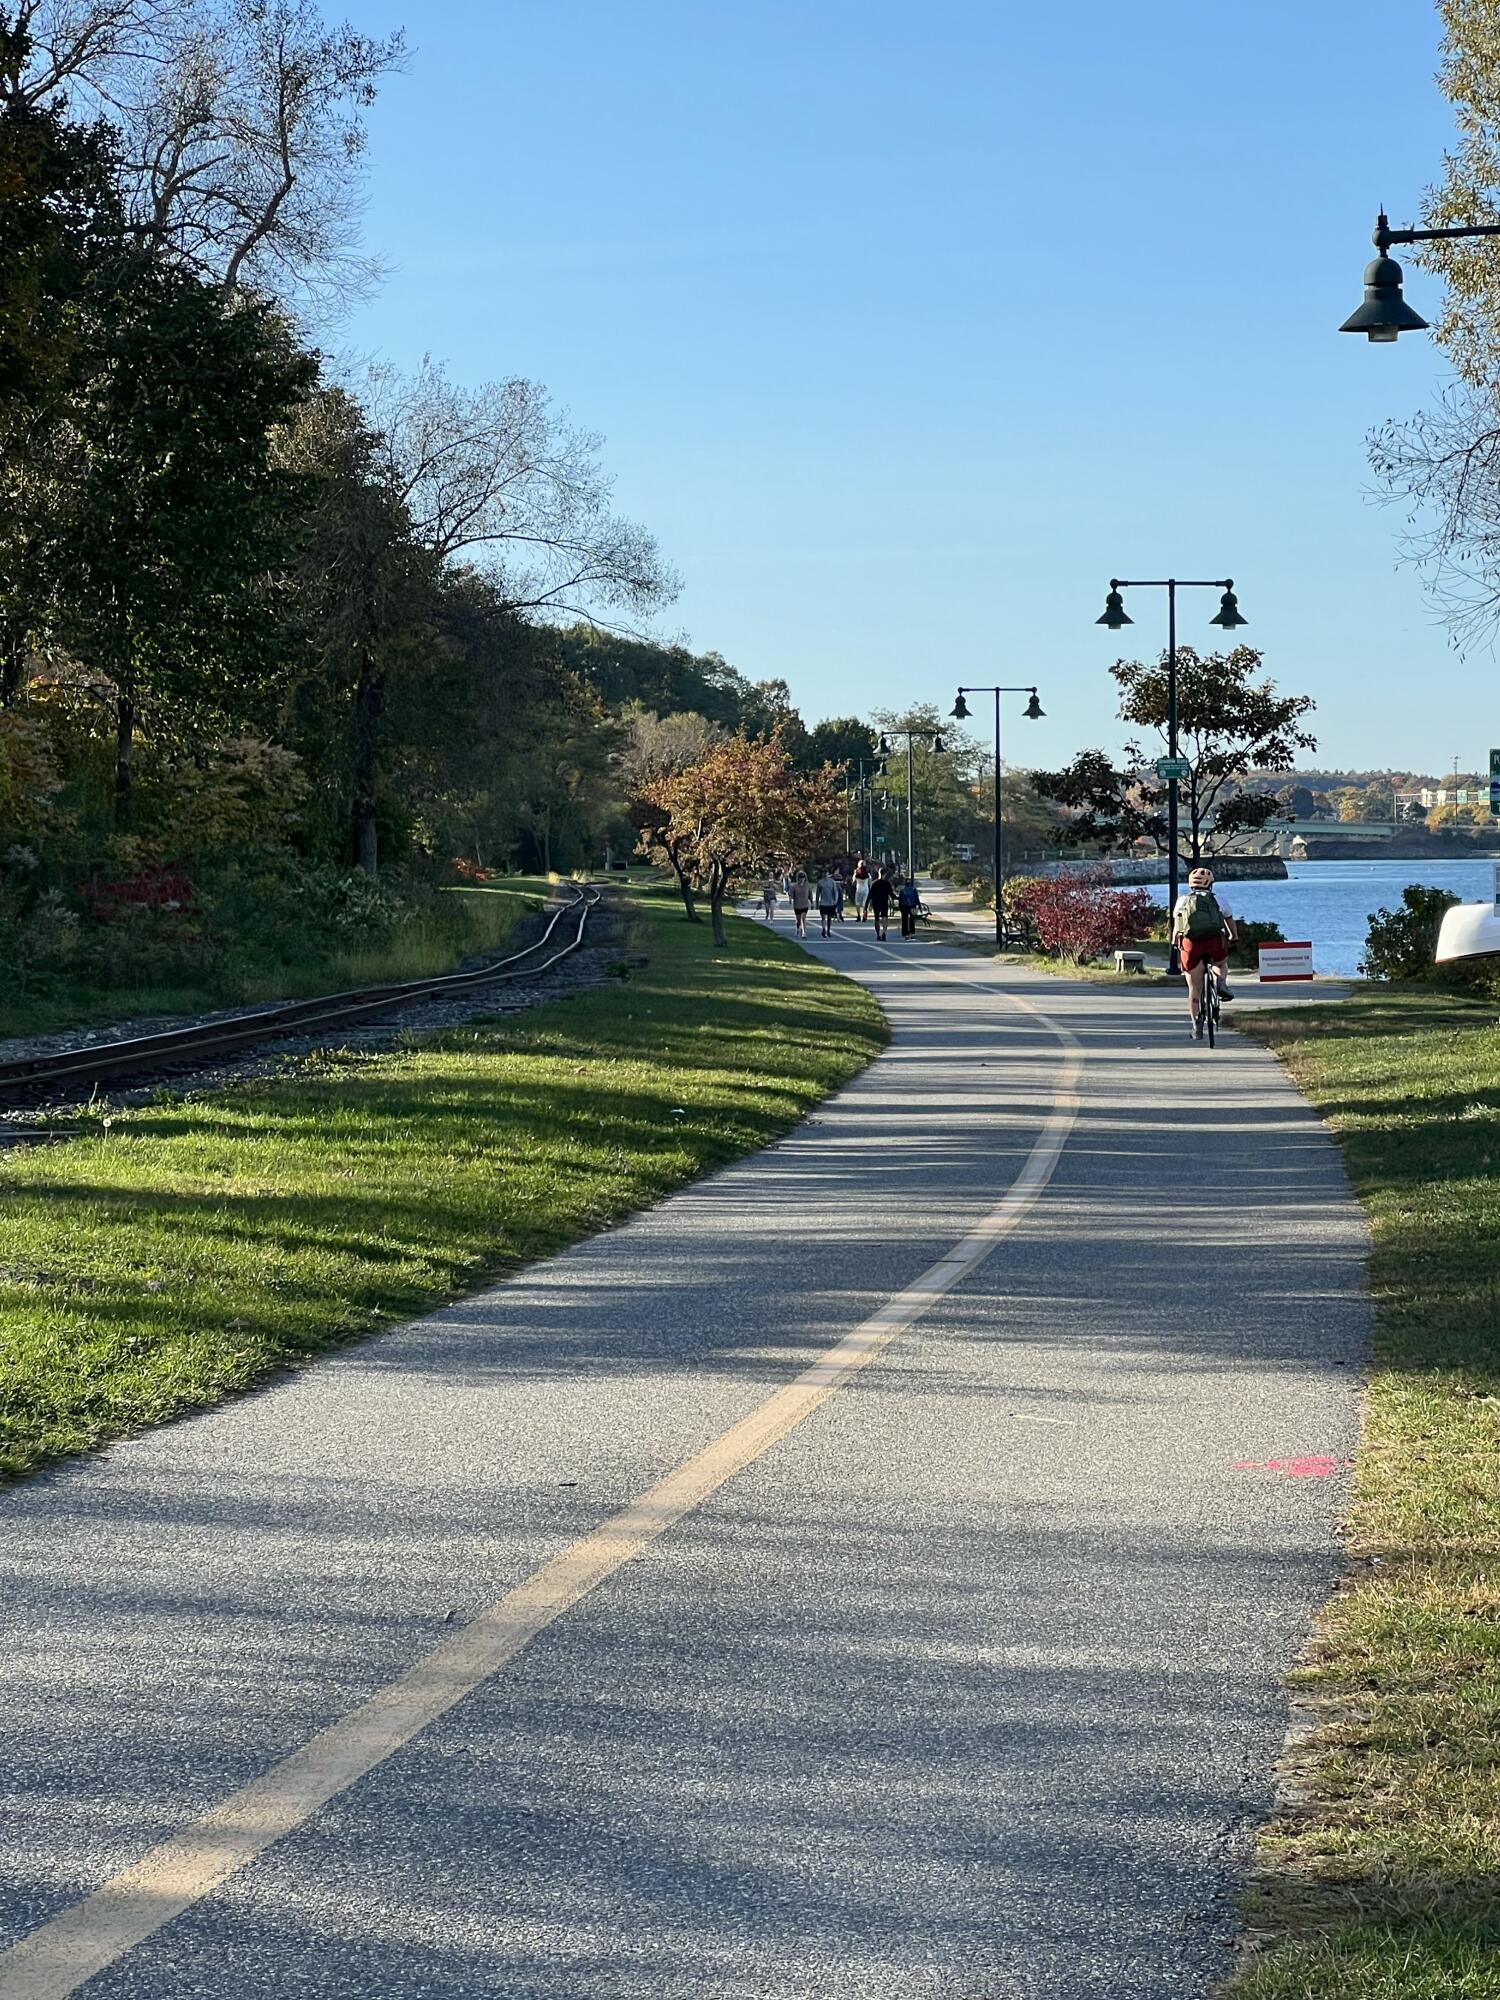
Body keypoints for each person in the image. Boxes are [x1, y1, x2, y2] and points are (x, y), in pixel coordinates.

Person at [1171, 864, 1237, 1039]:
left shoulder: (1182, 901)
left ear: (1191, 884)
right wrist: (1233, 937)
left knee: (1194, 988)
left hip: (1191, 945)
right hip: (1214, 942)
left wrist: (1174, 941)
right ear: (1211, 883)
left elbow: (1177, 925)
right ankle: (1221, 983)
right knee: (1221, 963)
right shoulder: (1219, 900)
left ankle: (1196, 1026)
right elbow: (1229, 922)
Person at [868, 868, 895, 941]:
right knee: (884, 918)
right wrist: (899, 898)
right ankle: (884, 933)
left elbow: (869, 895)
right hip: (884, 903)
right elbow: (892, 895)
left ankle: (878, 934)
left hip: (876, 903)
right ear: (885, 874)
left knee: (877, 919)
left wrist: (866, 906)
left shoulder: (874, 883)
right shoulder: (887, 883)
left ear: (879, 873)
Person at [815, 866, 842, 939]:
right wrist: (817, 903)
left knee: (829, 917)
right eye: (824, 873)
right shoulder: (820, 882)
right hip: (823, 903)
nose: (825, 875)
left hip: (831, 903)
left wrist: (835, 901)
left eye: (826, 873)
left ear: (828, 874)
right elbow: (818, 893)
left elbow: (835, 892)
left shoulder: (832, 882)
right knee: (823, 917)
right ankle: (823, 929)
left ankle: (828, 930)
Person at [788, 870, 813, 937]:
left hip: (805, 905)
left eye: (803, 877)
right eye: (800, 877)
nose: (802, 879)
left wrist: (812, 903)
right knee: (798, 920)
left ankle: (804, 932)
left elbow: (810, 895)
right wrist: (790, 899)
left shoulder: (807, 886)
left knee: (803, 918)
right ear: (798, 878)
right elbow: (791, 894)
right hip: (797, 905)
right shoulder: (794, 886)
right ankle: (798, 928)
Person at [852, 854, 872, 921]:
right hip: (866, 889)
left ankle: (858, 916)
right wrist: (870, 887)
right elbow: (870, 880)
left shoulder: (856, 872)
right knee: (865, 904)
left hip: (859, 889)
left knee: (857, 903)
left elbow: (853, 880)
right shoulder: (867, 872)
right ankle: (864, 915)